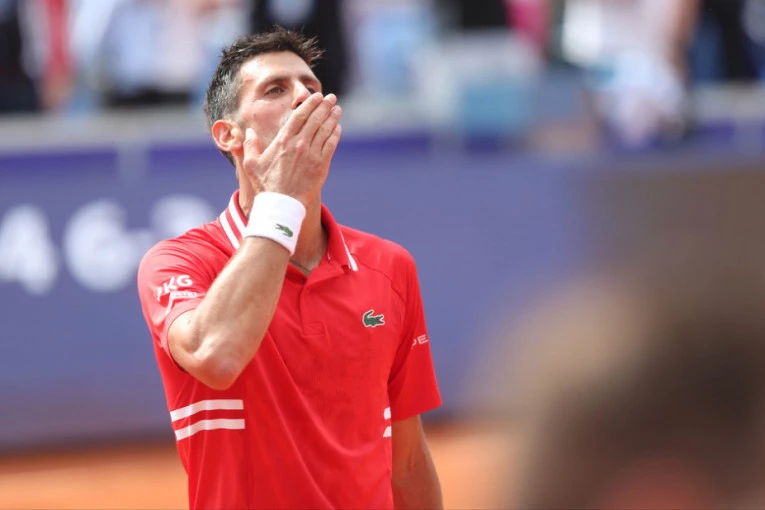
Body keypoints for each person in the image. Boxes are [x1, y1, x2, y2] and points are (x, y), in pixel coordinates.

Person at [136, 27, 443, 509]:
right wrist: (283, 199)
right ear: (228, 135)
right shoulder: (180, 262)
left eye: (311, 86)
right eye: (276, 89)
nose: (304, 97)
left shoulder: (390, 267)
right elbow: (215, 356)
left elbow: (407, 463)